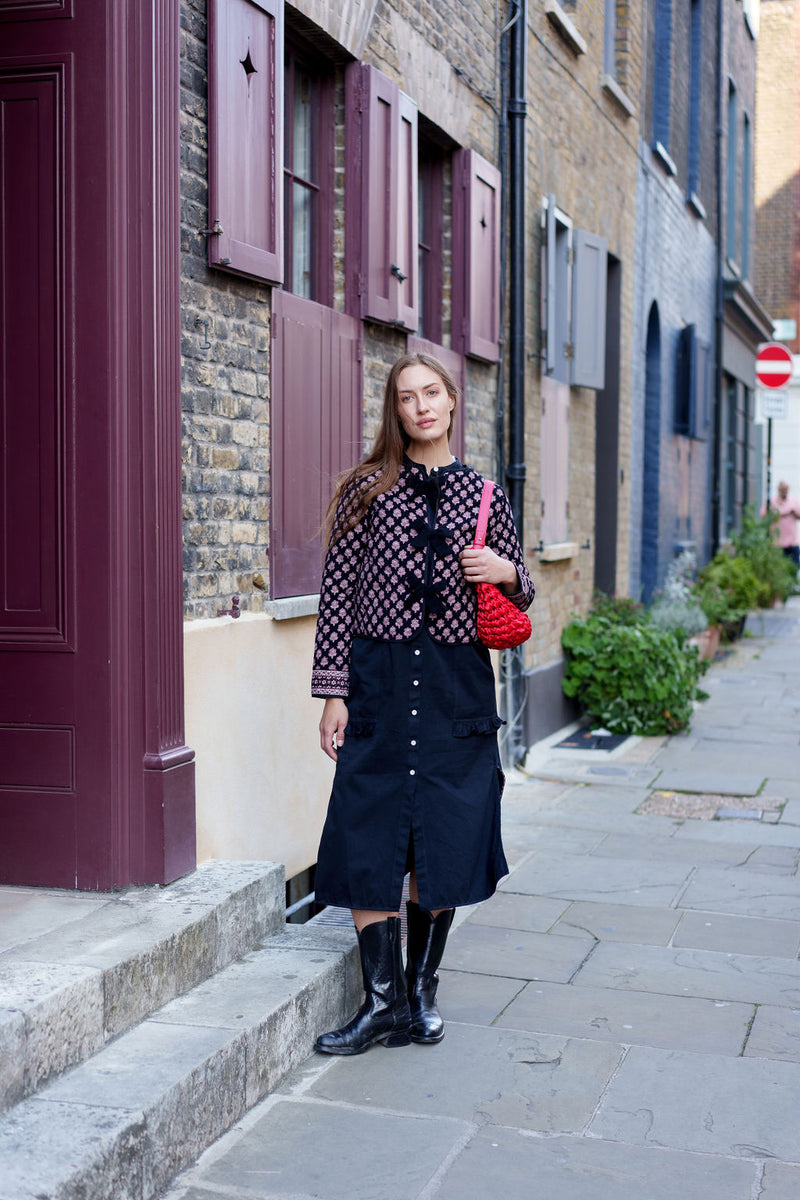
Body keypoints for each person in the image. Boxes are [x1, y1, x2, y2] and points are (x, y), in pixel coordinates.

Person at [310, 352, 535, 1056]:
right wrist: (333, 692)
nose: (421, 406)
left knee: (443, 836)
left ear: (451, 401)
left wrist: (505, 570)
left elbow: (520, 590)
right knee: (367, 827)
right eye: (406, 397)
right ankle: (380, 1005)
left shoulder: (488, 496)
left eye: (431, 393)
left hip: (455, 685)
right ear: (395, 410)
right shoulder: (363, 492)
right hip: (377, 676)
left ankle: (421, 996)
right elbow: (336, 597)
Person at [765, 480, 800, 568]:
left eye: (786, 489)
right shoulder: (771, 502)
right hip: (776, 543)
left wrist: (793, 512)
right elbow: (764, 517)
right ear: (778, 489)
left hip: (792, 542)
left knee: (794, 567)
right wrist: (783, 514)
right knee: (777, 568)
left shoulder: (793, 501)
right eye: (782, 489)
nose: (784, 491)